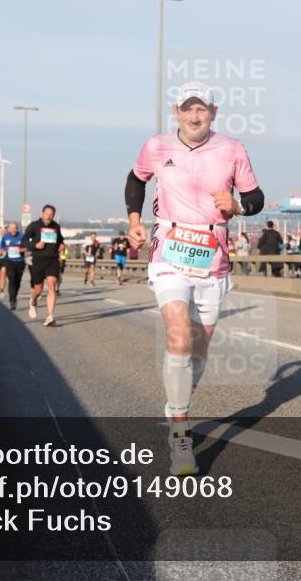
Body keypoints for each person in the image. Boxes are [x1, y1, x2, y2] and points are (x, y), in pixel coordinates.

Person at [125, 80, 265, 475]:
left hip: (212, 256)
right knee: (178, 337)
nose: (194, 115)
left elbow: (257, 199)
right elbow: (136, 180)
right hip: (169, 249)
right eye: (187, 108)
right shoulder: (157, 146)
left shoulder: (233, 150)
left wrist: (237, 205)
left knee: (197, 353)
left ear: (213, 113)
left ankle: (176, 403)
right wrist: (135, 221)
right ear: (176, 112)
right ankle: (181, 436)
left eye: (201, 108)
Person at [22, 205, 65, 326]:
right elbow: (23, 241)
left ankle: (50, 316)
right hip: (38, 260)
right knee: (38, 289)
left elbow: (60, 240)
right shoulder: (34, 225)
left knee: (52, 286)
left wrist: (62, 245)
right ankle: (33, 301)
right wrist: (36, 245)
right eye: (47, 214)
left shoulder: (56, 226)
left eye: (51, 215)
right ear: (42, 213)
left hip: (52, 260)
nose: (49, 217)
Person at [1, 222, 26, 310]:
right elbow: (2, 247)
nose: (13, 230)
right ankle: (12, 301)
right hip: (9, 261)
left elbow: (28, 247)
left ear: (17, 228)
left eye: (14, 228)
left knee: (17, 281)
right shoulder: (5, 236)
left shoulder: (22, 236)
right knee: (11, 279)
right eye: (11, 228)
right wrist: (4, 251)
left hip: (20, 261)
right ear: (8, 229)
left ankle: (14, 298)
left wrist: (21, 249)